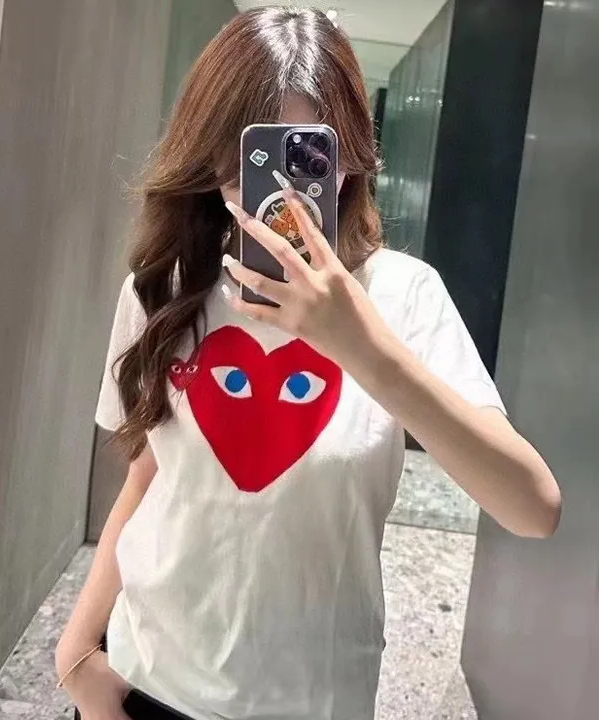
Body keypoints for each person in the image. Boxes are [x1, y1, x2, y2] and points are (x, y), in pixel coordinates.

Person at [55, 7, 561, 720]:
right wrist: (77, 653)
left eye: (308, 156)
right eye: (252, 155)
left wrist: (361, 346)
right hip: (146, 681)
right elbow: (148, 475)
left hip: (313, 701)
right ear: (210, 157)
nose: (279, 190)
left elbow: (532, 507)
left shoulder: (403, 297)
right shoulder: (164, 289)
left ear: (350, 156)